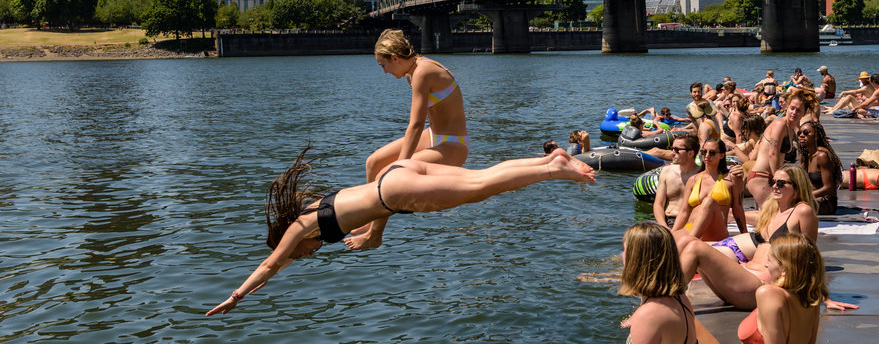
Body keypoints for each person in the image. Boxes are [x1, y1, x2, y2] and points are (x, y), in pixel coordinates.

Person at [206, 146, 595, 316]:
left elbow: (272, 265)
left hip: (397, 190)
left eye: (301, 252)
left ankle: (553, 170)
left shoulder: (300, 228)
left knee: (480, 188)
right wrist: (375, 234)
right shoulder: (314, 210)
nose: (305, 255)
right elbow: (281, 263)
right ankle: (550, 159)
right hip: (397, 175)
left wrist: (236, 296)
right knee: (480, 182)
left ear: (289, 240)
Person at [348, 29, 469, 251]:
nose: (384, 72)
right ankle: (369, 215)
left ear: (395, 58)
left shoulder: (423, 72)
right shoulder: (411, 71)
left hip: (453, 144)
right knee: (373, 162)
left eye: (383, 65)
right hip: (434, 135)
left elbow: (415, 124)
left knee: (388, 175)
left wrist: (400, 166)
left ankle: (375, 235)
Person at [679, 165, 817, 310]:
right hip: (747, 276)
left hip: (762, 285)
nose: (775, 186)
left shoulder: (802, 211)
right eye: (773, 182)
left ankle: (667, 297)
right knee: (691, 244)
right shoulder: (772, 209)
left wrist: (820, 297)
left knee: (696, 249)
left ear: (797, 187)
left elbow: (809, 258)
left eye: (781, 183)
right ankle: (666, 295)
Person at [737, 232, 827, 344]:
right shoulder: (812, 296)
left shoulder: (769, 294)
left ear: (784, 269)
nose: (765, 265)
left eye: (769, 260)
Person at [619, 222, 699, 344]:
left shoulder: (648, 315)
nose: (621, 255)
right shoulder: (679, 298)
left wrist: (641, 318)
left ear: (636, 260)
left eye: (625, 250)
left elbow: (650, 317)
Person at [746, 88, 817, 207]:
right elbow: (772, 153)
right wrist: (778, 181)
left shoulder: (791, 128)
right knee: (771, 217)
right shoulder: (780, 124)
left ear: (804, 113)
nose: (794, 112)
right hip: (762, 177)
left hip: (771, 178)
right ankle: (732, 215)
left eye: (798, 110)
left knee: (782, 214)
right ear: (787, 107)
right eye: (792, 108)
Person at [672, 139, 747, 242]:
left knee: (709, 201)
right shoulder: (693, 180)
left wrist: (745, 235)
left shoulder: (731, 178)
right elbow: (684, 212)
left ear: (721, 155)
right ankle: (684, 241)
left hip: (715, 233)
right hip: (690, 229)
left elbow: (738, 210)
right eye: (704, 152)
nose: (707, 156)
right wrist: (672, 234)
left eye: (712, 153)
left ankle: (689, 241)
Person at [653, 134, 702, 230]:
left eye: (677, 150)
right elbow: (658, 204)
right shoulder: (666, 172)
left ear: (691, 153)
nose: (672, 153)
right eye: (672, 149)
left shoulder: (702, 174)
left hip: (692, 222)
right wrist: (664, 226)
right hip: (668, 221)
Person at [798, 121, 842, 215]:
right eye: (799, 133)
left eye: (806, 133)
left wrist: (805, 197)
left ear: (816, 136)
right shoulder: (808, 154)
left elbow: (829, 188)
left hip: (826, 203)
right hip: (813, 200)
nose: (801, 135)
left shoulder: (822, 156)